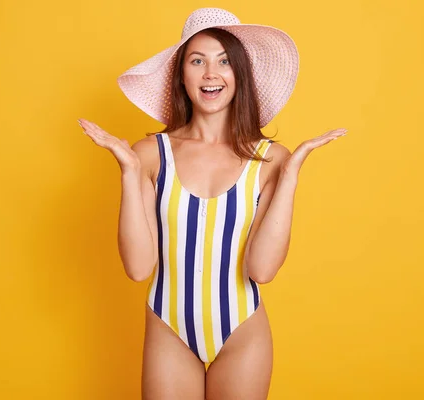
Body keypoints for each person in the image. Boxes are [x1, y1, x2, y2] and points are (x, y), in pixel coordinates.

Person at [79, 7, 347, 400]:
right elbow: (138, 268)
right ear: (181, 74)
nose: (210, 73)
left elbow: (262, 268)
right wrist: (128, 172)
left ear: (239, 75)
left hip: (242, 333)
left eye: (224, 61)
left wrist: (290, 175)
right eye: (197, 60)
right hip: (168, 330)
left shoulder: (271, 160)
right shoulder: (150, 155)